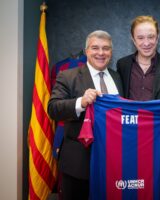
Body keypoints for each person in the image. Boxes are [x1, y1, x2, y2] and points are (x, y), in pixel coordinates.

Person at [48, 30, 123, 200]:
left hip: (113, 162)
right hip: (78, 164)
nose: (101, 53)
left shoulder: (118, 77)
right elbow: (53, 108)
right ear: (86, 50)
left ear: (111, 52)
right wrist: (80, 102)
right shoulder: (67, 76)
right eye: (95, 48)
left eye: (106, 48)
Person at [116, 15, 160, 115]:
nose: (146, 43)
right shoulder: (122, 64)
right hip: (130, 126)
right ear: (133, 40)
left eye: (151, 37)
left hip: (158, 127)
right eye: (140, 38)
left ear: (157, 37)